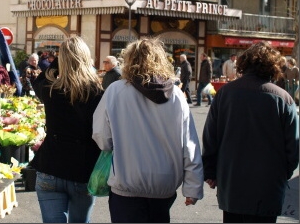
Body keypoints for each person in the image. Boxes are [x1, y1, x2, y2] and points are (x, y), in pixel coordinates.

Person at [92, 38, 204, 223]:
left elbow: (102, 138)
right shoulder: (176, 95)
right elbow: (189, 143)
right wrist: (192, 187)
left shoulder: (116, 91)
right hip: (164, 184)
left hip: (127, 182)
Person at [202, 41, 299, 223]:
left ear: (243, 64)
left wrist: (210, 171)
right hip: (268, 186)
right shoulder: (283, 99)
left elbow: (210, 137)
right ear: (273, 66)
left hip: (232, 183)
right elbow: (293, 148)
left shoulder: (225, 94)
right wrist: (281, 173)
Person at [30, 36, 104, 223]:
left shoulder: (50, 89)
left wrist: (57, 62)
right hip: (82, 168)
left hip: (50, 165)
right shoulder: (96, 92)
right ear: (86, 59)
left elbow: (38, 79)